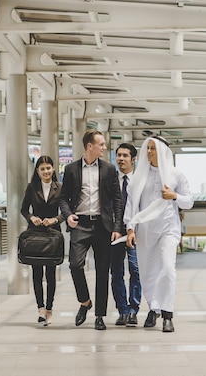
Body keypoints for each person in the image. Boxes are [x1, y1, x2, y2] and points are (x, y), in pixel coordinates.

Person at [125, 136, 193, 332]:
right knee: (148, 273)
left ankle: (167, 314)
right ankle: (153, 308)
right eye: (148, 148)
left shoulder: (175, 174)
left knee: (168, 269)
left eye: (153, 149)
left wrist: (174, 196)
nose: (149, 152)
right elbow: (131, 205)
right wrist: (130, 229)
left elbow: (188, 202)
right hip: (145, 231)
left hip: (168, 229)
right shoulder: (140, 175)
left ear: (162, 151)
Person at [59, 129, 124, 331]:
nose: (104, 147)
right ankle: (85, 302)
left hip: (103, 226)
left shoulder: (109, 169)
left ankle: (99, 316)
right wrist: (68, 214)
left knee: (103, 272)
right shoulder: (71, 169)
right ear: (90, 146)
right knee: (75, 265)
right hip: (80, 223)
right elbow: (63, 198)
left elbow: (117, 200)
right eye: (101, 144)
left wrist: (117, 227)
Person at [20, 155, 64, 326]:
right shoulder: (32, 188)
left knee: (51, 274)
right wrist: (32, 218)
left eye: (48, 168)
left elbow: (66, 210)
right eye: (42, 169)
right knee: (37, 273)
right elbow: (24, 209)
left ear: (53, 169)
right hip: (36, 234)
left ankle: (50, 309)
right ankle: (40, 309)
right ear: (37, 171)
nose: (46, 171)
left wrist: (55, 220)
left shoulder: (60, 188)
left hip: (53, 234)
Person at [111, 142, 141, 327]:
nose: (121, 159)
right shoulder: (110, 179)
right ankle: (122, 310)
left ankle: (133, 310)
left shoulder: (139, 180)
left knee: (136, 270)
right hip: (114, 232)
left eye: (125, 156)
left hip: (135, 231)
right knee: (116, 273)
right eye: (118, 155)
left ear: (133, 159)